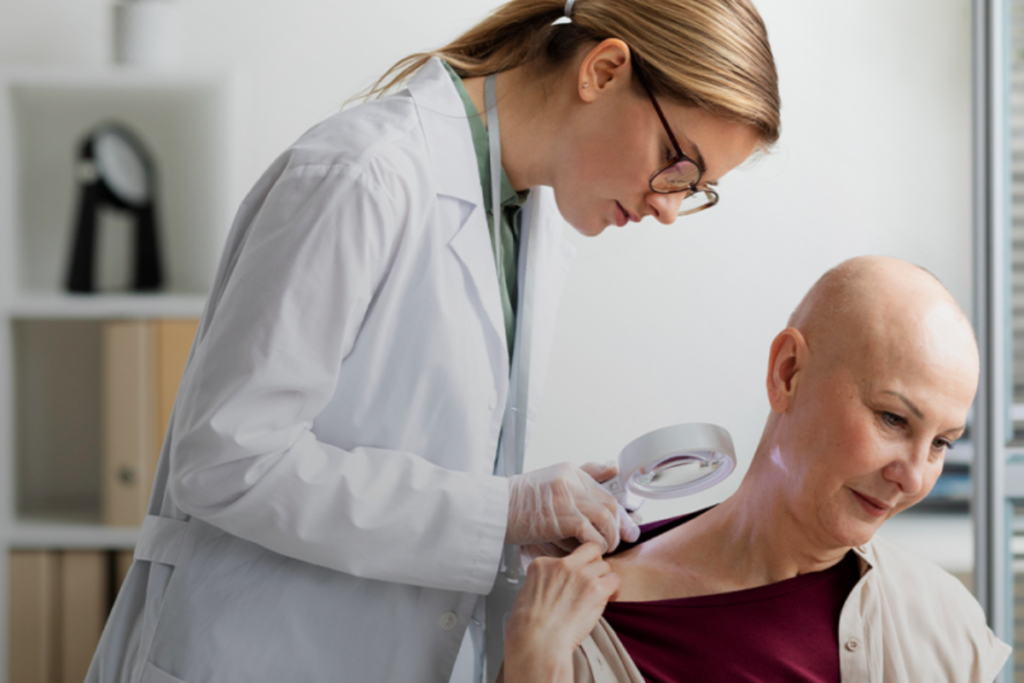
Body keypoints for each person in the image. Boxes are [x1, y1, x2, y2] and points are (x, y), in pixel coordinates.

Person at [86, 0, 780, 681]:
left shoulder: (530, 218)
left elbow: (424, 454)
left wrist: (514, 521)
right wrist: (501, 509)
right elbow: (225, 458)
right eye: (678, 163)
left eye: (696, 190)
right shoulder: (362, 174)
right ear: (601, 71)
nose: (667, 207)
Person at [502, 256, 1012, 683]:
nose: (916, 478)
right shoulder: (576, 626)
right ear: (787, 373)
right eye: (892, 418)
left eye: (941, 443)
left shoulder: (945, 623)